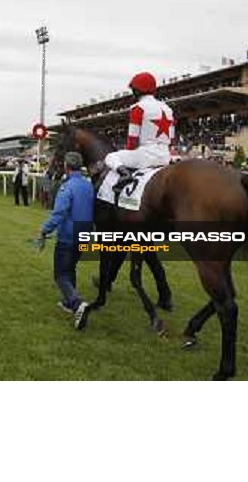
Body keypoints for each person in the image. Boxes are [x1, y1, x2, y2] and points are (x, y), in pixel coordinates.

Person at [37, 151, 94, 320]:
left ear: (66, 167)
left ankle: (77, 304)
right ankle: (69, 302)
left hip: (68, 237)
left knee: (60, 274)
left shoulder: (66, 186)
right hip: (84, 235)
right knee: (70, 268)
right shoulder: (88, 185)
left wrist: (44, 229)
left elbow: (59, 213)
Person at [103, 72, 175, 183]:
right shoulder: (167, 108)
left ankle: (125, 174)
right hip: (165, 156)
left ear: (137, 90)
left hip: (145, 156)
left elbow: (132, 141)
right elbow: (171, 139)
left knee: (110, 157)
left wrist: (129, 154)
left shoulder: (137, 108)